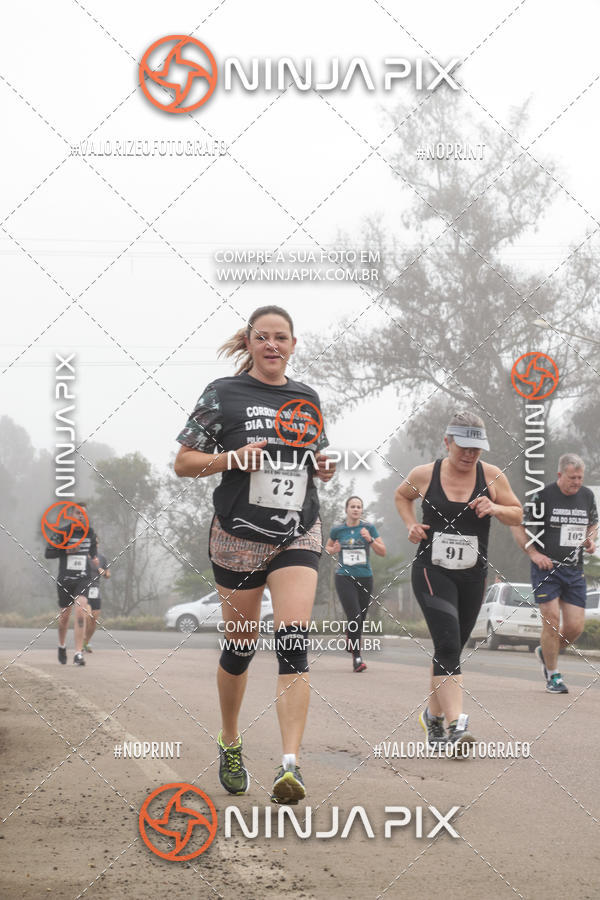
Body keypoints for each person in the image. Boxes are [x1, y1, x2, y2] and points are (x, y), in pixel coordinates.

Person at [174, 305, 336, 804]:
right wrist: (231, 458)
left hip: (297, 531)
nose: (272, 345)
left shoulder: (305, 397)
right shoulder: (223, 394)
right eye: (262, 337)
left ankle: (291, 766)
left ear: (293, 344)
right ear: (249, 343)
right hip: (238, 537)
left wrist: (324, 467)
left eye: (281, 337)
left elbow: (317, 456)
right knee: (240, 648)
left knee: (292, 639)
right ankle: (230, 738)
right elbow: (183, 462)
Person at [394, 411, 522, 754]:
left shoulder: (491, 475)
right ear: (447, 442)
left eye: (476, 449)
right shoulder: (424, 474)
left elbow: (518, 513)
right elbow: (401, 496)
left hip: (473, 575)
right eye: (463, 447)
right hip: (431, 571)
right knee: (448, 643)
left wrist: (495, 507)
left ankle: (432, 717)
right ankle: (456, 725)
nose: (469, 455)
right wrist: (410, 524)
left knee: (450, 651)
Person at [512, 453, 598, 694]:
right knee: (551, 620)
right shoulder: (543, 496)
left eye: (580, 477)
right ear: (560, 475)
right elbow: (519, 524)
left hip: (573, 570)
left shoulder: (586, 496)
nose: (577, 482)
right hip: (546, 568)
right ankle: (553, 675)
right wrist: (533, 554)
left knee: (574, 628)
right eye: (572, 477)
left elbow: (593, 524)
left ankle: (545, 651)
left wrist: (590, 540)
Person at [325, 496, 386, 672]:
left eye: (359, 506)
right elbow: (326, 550)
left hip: (365, 577)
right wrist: (333, 550)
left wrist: (370, 540)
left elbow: (382, 551)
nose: (356, 509)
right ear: (346, 509)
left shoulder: (368, 528)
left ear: (362, 510)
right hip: (344, 576)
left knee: (360, 618)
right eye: (352, 506)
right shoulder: (337, 530)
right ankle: (357, 658)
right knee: (355, 616)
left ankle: (350, 636)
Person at [44, 502, 98, 666]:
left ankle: (78, 654)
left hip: (83, 578)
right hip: (65, 579)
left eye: (83, 513)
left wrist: (96, 563)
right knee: (64, 617)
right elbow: (48, 553)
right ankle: (61, 645)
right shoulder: (62, 532)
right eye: (78, 513)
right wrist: (66, 550)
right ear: (71, 515)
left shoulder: (90, 533)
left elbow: (93, 554)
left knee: (81, 610)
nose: (81, 516)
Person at [83, 540, 110, 653]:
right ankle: (82, 639)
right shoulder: (82, 556)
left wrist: (102, 572)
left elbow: (108, 575)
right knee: (87, 616)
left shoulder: (102, 558)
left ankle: (86, 642)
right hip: (83, 589)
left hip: (95, 590)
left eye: (96, 542)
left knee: (94, 619)